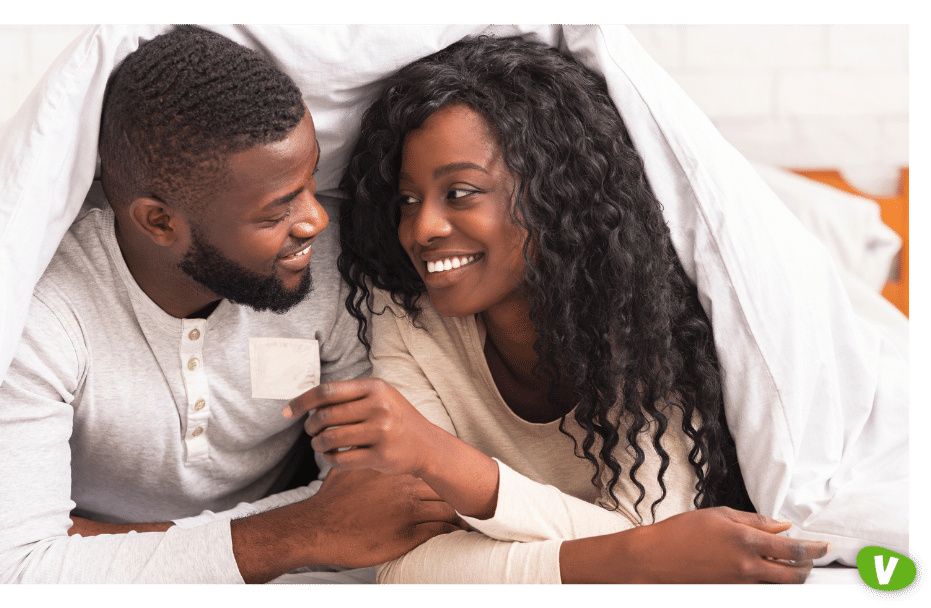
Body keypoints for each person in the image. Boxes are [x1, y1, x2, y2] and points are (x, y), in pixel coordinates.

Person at [285, 35, 832, 584]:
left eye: (461, 193)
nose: (422, 228)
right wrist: (637, 557)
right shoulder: (405, 310)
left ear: (556, 194)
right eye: (408, 200)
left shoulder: (642, 321)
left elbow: (663, 526)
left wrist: (446, 462)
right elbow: (405, 568)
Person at [0, 26, 461, 585]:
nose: (316, 220)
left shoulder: (331, 267)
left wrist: (92, 546)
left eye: (312, 182)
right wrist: (300, 531)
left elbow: (375, 504)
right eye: (276, 210)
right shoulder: (35, 314)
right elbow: (8, 575)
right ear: (160, 222)